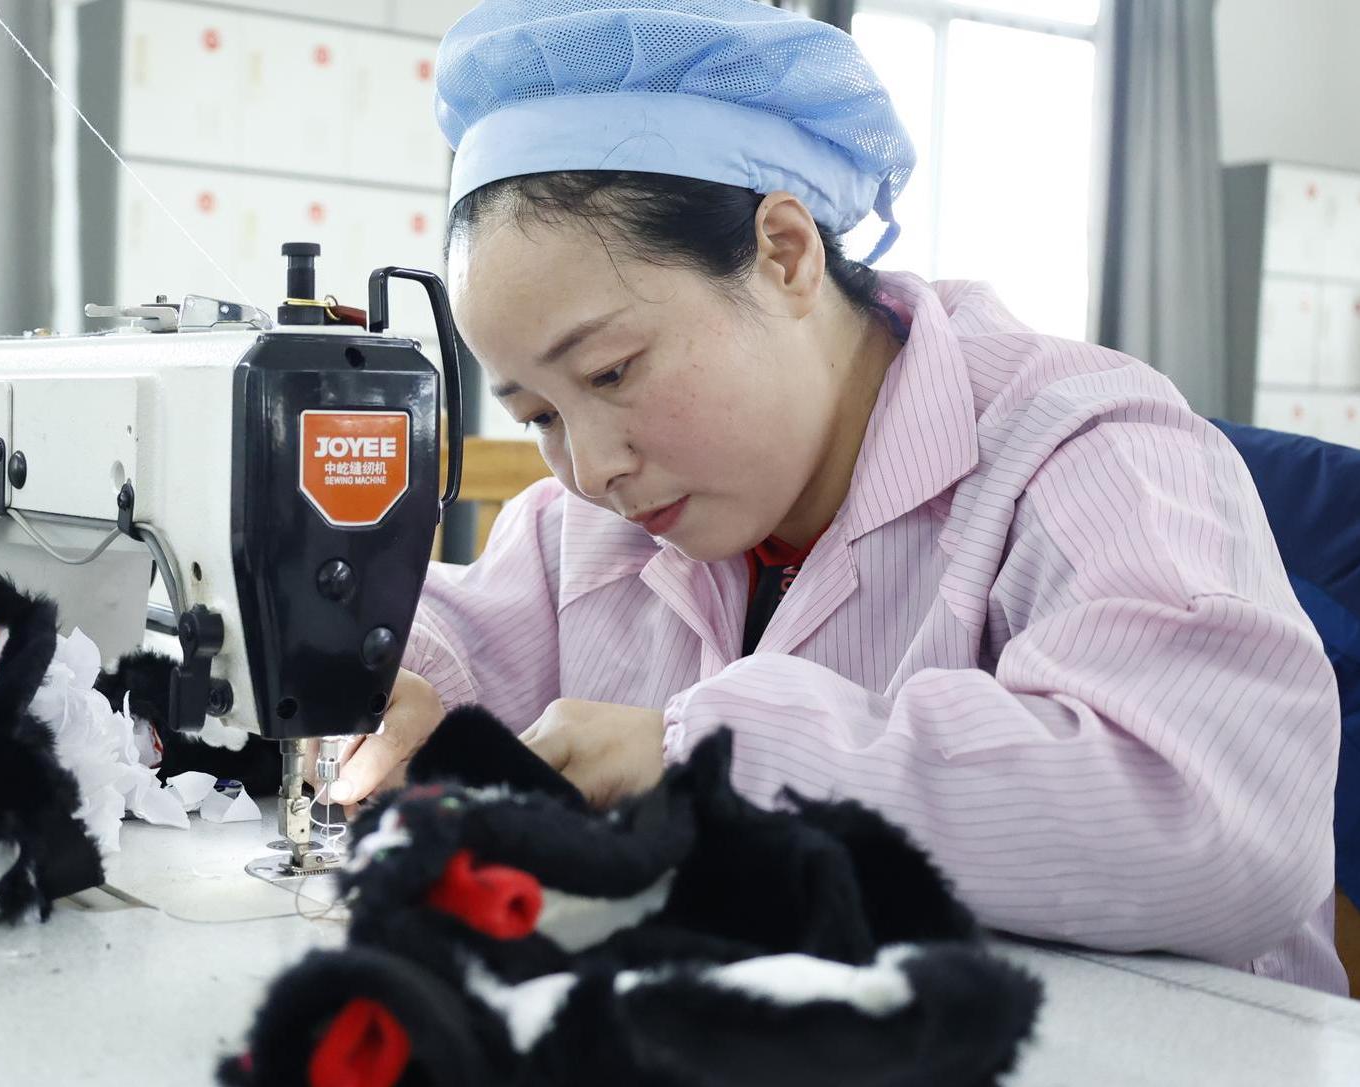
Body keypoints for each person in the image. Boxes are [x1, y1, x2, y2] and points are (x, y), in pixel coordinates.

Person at [327, 0, 1346, 994]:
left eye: (610, 372)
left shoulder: (1090, 451)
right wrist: (375, 677)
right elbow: (453, 640)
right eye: (538, 414)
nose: (590, 467)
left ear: (785, 253)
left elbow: (1219, 830)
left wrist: (712, 762)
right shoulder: (589, 525)